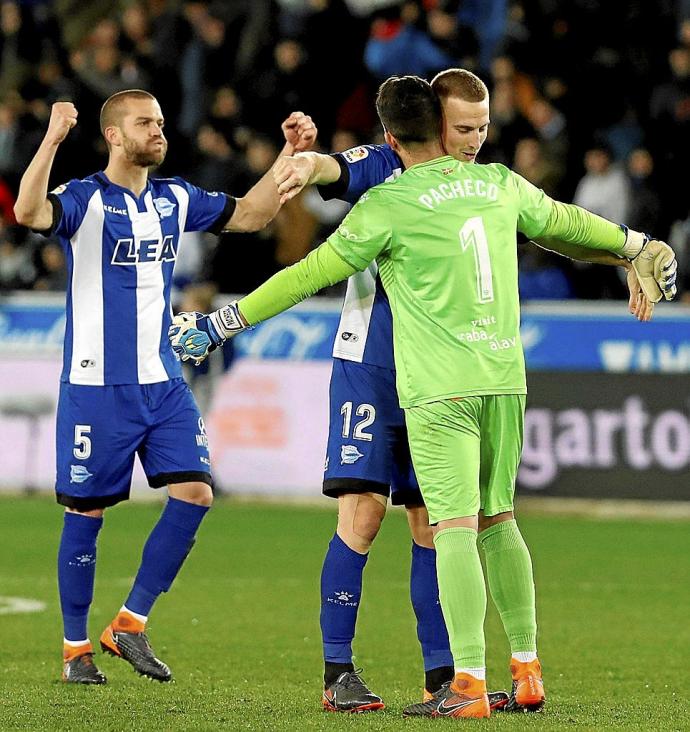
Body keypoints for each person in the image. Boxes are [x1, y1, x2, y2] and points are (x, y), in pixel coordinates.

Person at [171, 75, 676, 718]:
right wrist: (635, 244)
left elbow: (308, 273)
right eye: (464, 129)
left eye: (480, 129)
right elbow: (561, 222)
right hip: (457, 373)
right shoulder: (492, 183)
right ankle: (391, 669)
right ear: (436, 123)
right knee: (431, 519)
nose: (474, 140)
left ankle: (457, 679)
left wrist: (223, 321)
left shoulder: (400, 201)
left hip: (436, 382)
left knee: (447, 529)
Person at [12, 90, 316, 685]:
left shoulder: (176, 197)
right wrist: (51, 139)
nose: (158, 130)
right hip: (97, 386)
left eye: (160, 121)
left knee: (196, 492)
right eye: (144, 123)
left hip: (163, 380)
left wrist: (289, 154)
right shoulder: (83, 200)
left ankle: (129, 622)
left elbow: (252, 214)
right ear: (114, 136)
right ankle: (76, 649)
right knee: (86, 510)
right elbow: (27, 213)